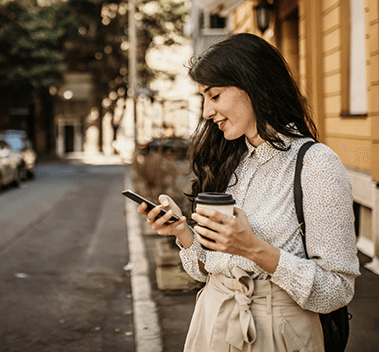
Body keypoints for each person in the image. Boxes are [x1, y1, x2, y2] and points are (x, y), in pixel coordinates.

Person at [137, 33, 360, 352]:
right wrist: (182, 232)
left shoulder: (316, 164)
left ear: (254, 86)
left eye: (214, 96)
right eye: (203, 98)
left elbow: (336, 290)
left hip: (277, 334)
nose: (206, 112)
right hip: (211, 322)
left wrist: (254, 249)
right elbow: (208, 270)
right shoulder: (230, 159)